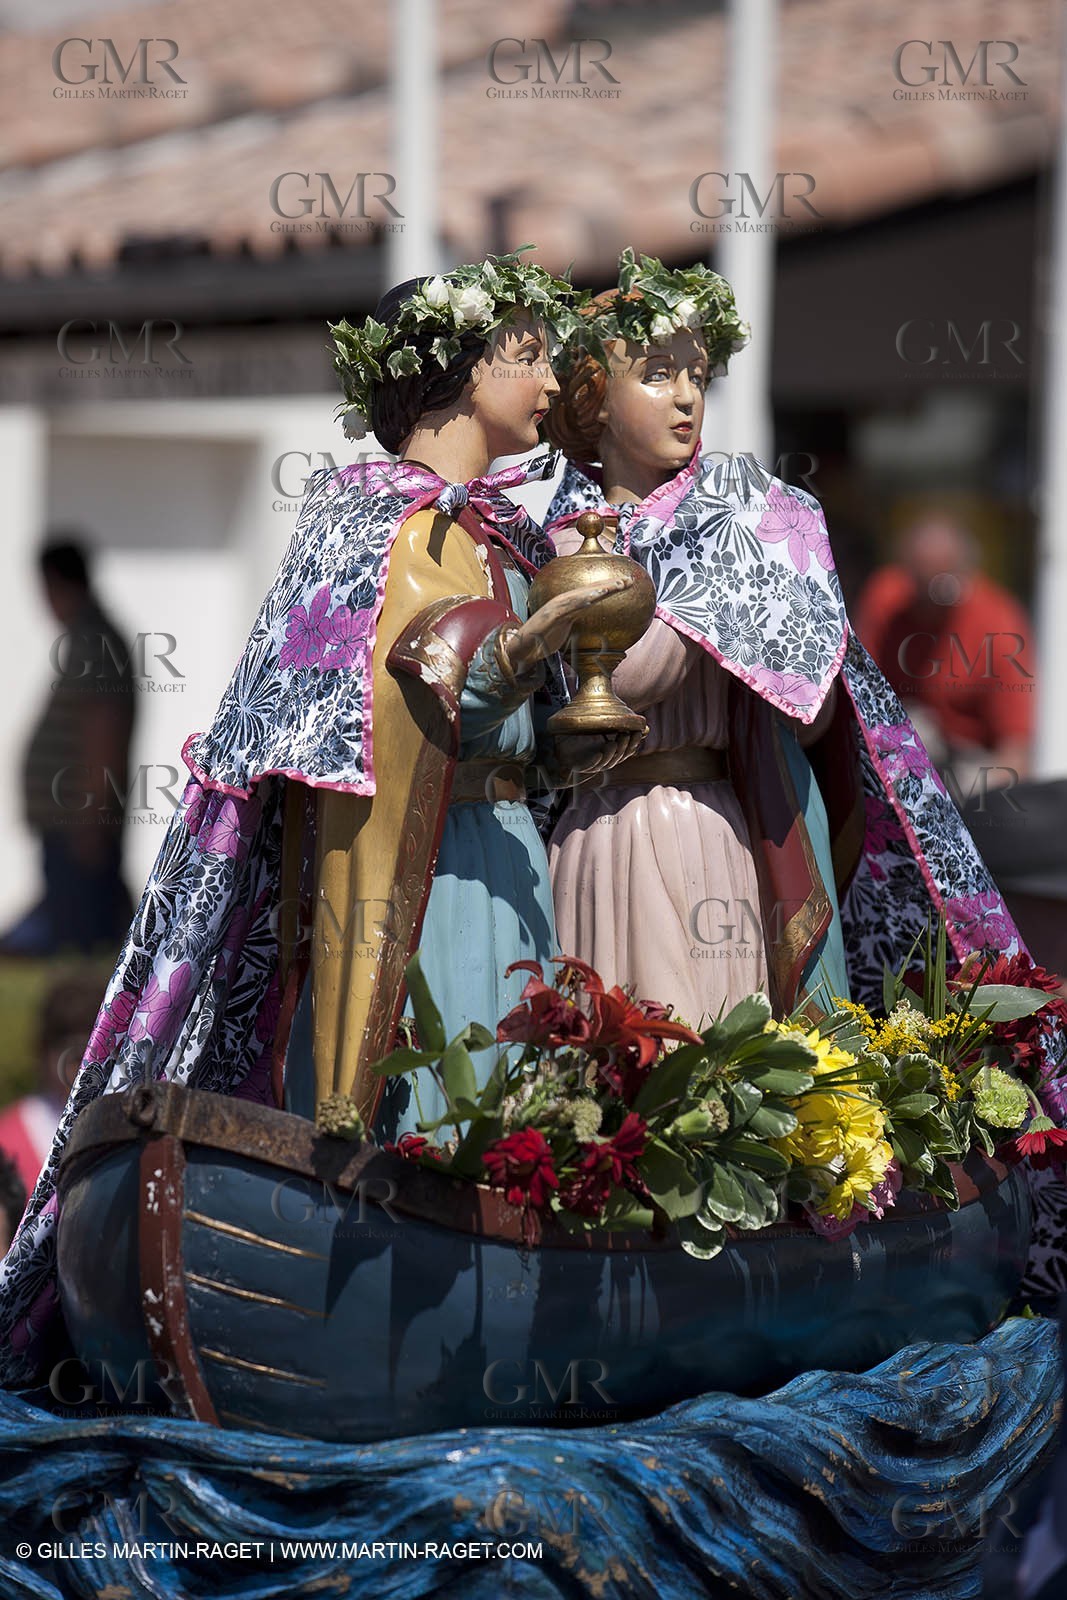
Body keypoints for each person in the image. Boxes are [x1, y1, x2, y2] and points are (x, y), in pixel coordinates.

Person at [0, 251, 633, 1384]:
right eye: (528, 355)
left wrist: (562, 727)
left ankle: (507, 1307)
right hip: (414, 882)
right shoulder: (370, 523)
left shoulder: (498, 535)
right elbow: (383, 708)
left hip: (504, 857)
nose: (551, 380)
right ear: (456, 368)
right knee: (441, 1084)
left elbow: (497, 719)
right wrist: (524, 647)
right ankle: (404, 1315)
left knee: (524, 1082)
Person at [542, 251, 1049, 1033]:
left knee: (706, 1044)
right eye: (655, 374)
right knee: (598, 1056)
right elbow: (579, 698)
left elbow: (813, 718)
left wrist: (756, 605)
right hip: (588, 831)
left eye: (696, 375)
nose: (685, 397)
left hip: (701, 824)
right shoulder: (554, 537)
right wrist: (708, 591)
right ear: (592, 398)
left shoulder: (751, 517)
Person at [0, 539, 135, 957]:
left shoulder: (95, 642)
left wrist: (90, 819)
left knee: (81, 942)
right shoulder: (85, 638)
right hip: (71, 824)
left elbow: (103, 732)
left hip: (78, 826)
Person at [854, 512, 1034, 791]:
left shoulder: (998, 621)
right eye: (922, 584)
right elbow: (858, 699)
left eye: (945, 585)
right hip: (899, 745)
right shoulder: (885, 602)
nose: (933, 598)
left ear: (968, 573)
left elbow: (1015, 750)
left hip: (969, 764)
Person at [0, 968, 103, 1195]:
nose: (82, 1070)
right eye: (74, 1056)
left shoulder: (131, 1129)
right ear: (43, 1052)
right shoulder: (6, 1142)